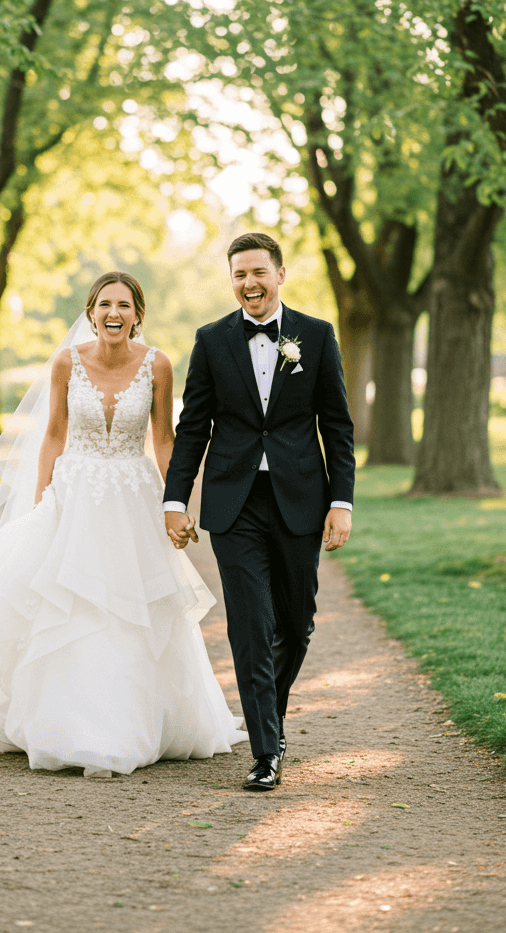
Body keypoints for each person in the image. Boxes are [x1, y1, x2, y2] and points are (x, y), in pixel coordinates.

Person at [0, 271, 247, 778]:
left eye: (125, 305)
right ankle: (65, 726)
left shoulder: (157, 364)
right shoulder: (68, 362)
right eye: (105, 304)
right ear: (91, 312)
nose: (115, 313)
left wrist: (175, 502)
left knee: (132, 609)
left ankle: (132, 724)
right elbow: (52, 435)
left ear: (138, 315)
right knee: (65, 609)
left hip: (134, 498)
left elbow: (162, 439)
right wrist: (42, 497)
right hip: (75, 496)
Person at [163, 233, 355, 792]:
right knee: (251, 624)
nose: (249, 284)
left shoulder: (315, 337)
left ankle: (268, 715)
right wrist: (176, 499)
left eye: (258, 273)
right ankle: (265, 750)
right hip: (233, 503)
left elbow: (337, 426)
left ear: (280, 274)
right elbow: (193, 426)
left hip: (300, 500)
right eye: (239, 275)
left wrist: (340, 502)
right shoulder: (212, 340)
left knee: (296, 625)